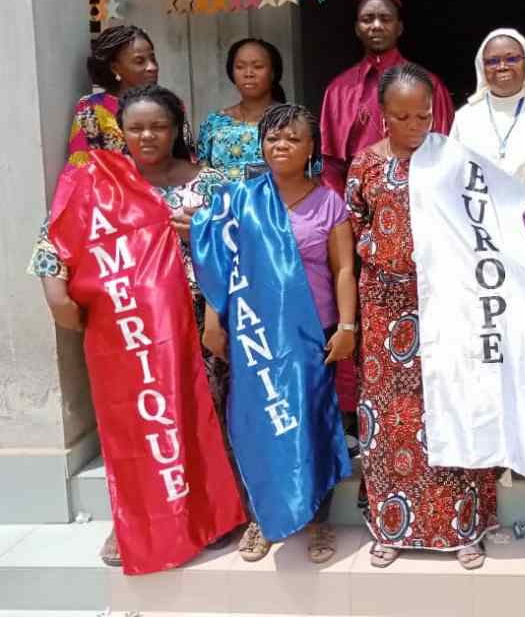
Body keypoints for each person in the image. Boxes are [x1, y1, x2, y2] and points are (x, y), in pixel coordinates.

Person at [31, 84, 240, 570]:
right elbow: (53, 240)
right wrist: (56, 295)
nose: (147, 136)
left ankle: (213, 513)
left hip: (198, 326)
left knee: (202, 417)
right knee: (136, 427)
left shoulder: (212, 184)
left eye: (159, 126)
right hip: (128, 335)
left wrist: (204, 233)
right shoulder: (96, 183)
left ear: (177, 129)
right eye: (136, 128)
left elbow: (245, 245)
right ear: (120, 131)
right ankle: (132, 520)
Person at [346, 63, 498, 570]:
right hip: (384, 308)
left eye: (424, 116)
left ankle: (463, 527)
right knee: (391, 417)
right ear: (382, 115)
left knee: (451, 408)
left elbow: (482, 227)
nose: (415, 126)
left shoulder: (454, 161)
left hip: (447, 305)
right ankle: (391, 527)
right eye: (402, 117)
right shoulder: (365, 164)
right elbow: (355, 227)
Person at [198, 103, 355, 564]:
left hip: (312, 334)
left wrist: (347, 327)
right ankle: (262, 518)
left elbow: (344, 270)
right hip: (254, 336)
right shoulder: (239, 200)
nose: (281, 145)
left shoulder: (329, 202)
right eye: (272, 137)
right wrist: (213, 321)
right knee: (257, 425)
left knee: (312, 423)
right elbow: (219, 266)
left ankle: (317, 519)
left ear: (311, 148)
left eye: (292, 138)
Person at [320, 0, 454, 194]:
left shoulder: (429, 84)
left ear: (399, 27)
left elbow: (445, 152)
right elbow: (330, 166)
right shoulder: (338, 91)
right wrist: (343, 210)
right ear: (357, 28)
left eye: (385, 19)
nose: (376, 26)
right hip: (360, 200)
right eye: (367, 19)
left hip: (419, 198)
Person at [450, 28, 525, 188]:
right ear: (482, 67)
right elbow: (452, 173)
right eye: (492, 61)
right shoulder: (465, 117)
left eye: (512, 59)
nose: (502, 66)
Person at [65, 24, 159, 169]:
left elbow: (187, 160)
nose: (152, 67)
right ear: (115, 68)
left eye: (153, 59)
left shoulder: (170, 105)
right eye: (140, 61)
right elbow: (81, 168)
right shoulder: (91, 110)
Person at [196, 38, 286, 181]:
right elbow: (202, 177)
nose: (248, 73)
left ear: (273, 72)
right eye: (240, 67)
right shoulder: (214, 123)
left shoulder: (292, 121)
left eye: (258, 67)